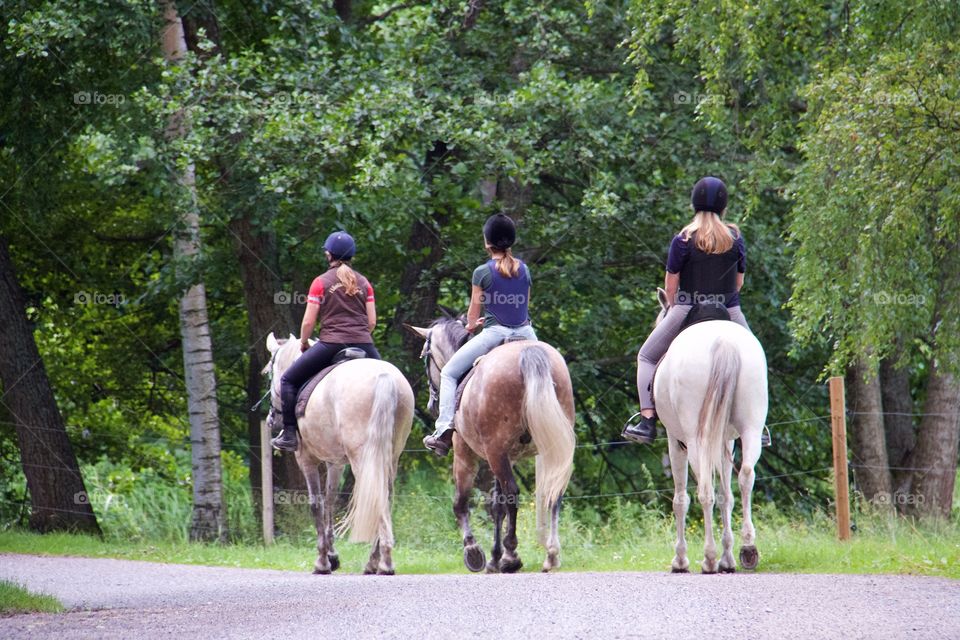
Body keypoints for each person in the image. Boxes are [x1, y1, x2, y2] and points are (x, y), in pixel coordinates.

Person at [622, 176, 760, 445]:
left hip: (686, 306)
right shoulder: (736, 238)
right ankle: (758, 425)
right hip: (728, 309)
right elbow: (739, 283)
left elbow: (670, 287)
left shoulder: (683, 239)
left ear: (694, 204)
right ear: (724, 207)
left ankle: (647, 421)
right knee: (757, 359)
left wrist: (676, 305)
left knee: (647, 357)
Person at [422, 213, 536, 456]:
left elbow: (472, 318)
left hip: (495, 334)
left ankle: (443, 430)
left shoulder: (482, 272)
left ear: (487, 243)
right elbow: (522, 306)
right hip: (526, 333)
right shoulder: (524, 269)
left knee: (450, 373)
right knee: (548, 374)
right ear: (511, 242)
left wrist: (472, 325)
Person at [271, 231, 380, 452]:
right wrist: (359, 336)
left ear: (329, 254)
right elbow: (372, 322)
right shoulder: (365, 283)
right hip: (364, 343)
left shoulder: (320, 282)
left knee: (288, 380)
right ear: (352, 255)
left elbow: (309, 321)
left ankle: (290, 435)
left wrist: (303, 342)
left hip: (331, 344)